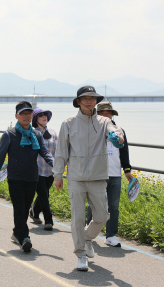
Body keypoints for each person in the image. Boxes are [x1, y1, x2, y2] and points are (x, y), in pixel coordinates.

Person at [53, 86, 125, 272]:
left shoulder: (103, 121)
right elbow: (61, 151)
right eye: (85, 98)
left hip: (98, 176)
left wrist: (118, 136)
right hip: (76, 177)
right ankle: (81, 255)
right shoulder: (68, 123)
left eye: (92, 98)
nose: (89, 101)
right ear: (78, 101)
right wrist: (58, 174)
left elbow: (115, 130)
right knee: (77, 217)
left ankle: (87, 239)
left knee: (103, 215)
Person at [0, 101, 54, 253]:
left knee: (25, 209)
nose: (26, 116)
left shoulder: (37, 134)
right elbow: (0, 156)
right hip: (15, 178)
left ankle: (16, 232)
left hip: (32, 178)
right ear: (17, 116)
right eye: (23, 114)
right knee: (19, 208)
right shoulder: (9, 134)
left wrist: (54, 163)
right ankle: (24, 238)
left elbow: (45, 152)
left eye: (29, 114)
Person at [86, 101, 133, 247]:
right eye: (103, 113)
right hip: (97, 174)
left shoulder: (120, 130)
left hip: (114, 174)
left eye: (109, 113)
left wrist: (127, 170)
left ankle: (111, 235)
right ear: (97, 114)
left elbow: (124, 151)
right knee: (94, 204)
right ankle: (88, 232)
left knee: (114, 206)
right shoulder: (92, 129)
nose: (106, 115)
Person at [29, 108, 58, 230]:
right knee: (44, 195)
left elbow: (59, 149)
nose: (44, 116)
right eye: (40, 115)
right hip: (37, 170)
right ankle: (48, 220)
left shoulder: (53, 132)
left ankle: (34, 212)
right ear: (35, 119)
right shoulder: (33, 133)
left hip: (51, 170)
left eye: (45, 115)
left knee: (44, 195)